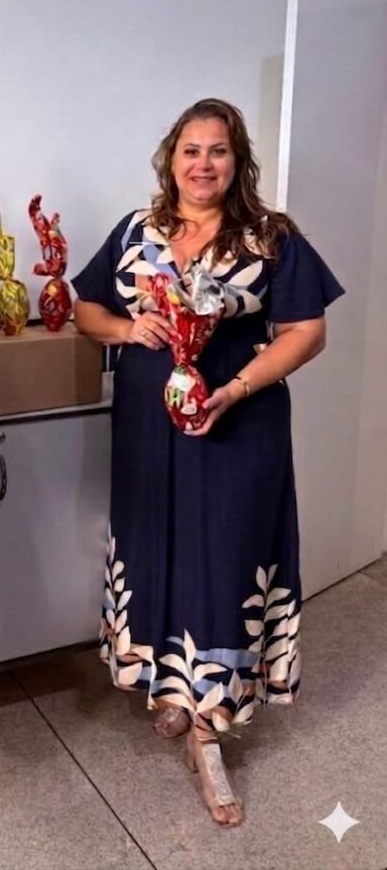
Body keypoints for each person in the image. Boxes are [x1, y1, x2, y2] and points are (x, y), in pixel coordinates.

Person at [72, 98, 343, 828]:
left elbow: (307, 331)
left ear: (237, 160)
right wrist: (127, 327)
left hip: (238, 421)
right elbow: (85, 309)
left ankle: (209, 726)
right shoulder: (136, 230)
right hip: (148, 430)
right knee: (158, 551)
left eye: (217, 150)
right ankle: (171, 688)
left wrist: (235, 388)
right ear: (171, 159)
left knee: (226, 560)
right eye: (190, 150)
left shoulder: (270, 237)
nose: (203, 163)